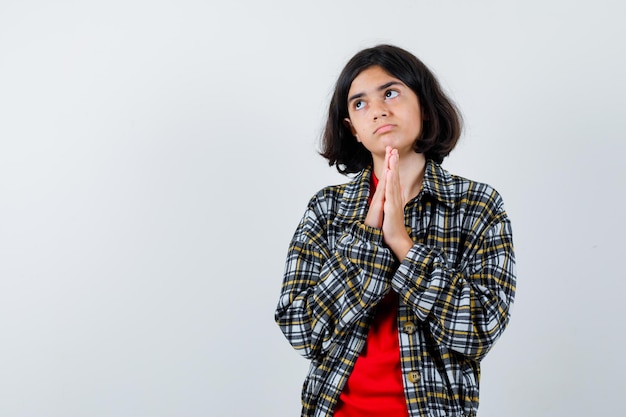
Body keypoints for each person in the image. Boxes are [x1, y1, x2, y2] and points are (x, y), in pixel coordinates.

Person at [275, 44, 516, 417]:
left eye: (390, 93)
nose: (378, 110)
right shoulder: (326, 209)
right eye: (359, 104)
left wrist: (403, 244)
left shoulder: (477, 205)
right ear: (351, 129)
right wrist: (369, 239)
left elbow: (479, 331)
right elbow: (301, 331)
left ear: (424, 104)